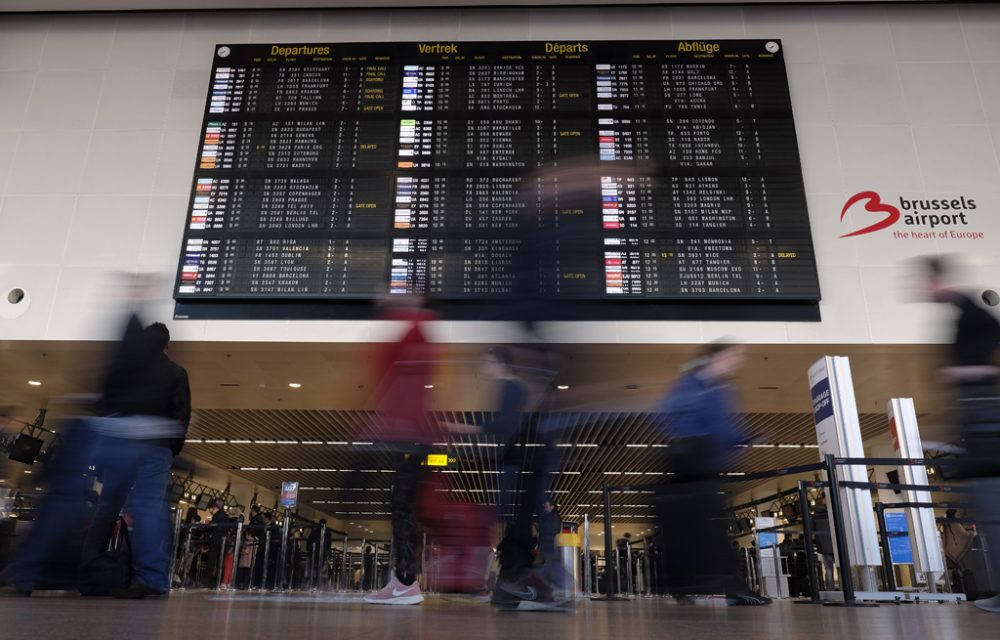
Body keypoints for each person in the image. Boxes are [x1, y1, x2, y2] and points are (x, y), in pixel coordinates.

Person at [2, 316, 191, 598]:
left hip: (118, 440)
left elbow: (104, 400)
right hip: (155, 444)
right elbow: (181, 414)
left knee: (106, 507)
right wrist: (170, 447)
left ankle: (84, 569)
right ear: (167, 345)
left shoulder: (126, 367)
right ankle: (151, 577)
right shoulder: (175, 371)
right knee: (149, 509)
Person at [653, 342, 771, 606]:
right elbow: (669, 413)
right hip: (694, 459)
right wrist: (692, 439)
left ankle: (687, 584)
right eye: (733, 355)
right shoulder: (694, 383)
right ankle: (731, 586)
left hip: (705, 461)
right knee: (710, 524)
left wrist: (746, 437)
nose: (737, 361)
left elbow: (726, 427)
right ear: (715, 357)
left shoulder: (720, 388)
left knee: (698, 524)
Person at [919, 256, 1000, 612]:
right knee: (990, 510)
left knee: (994, 510)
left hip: (984, 425)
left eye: (925, 282)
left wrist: (960, 373)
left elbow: (985, 361)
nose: (921, 290)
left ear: (938, 279)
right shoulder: (959, 313)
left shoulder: (972, 314)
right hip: (977, 423)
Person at [363, 296, 439, 605]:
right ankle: (403, 581)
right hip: (408, 439)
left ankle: (406, 583)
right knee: (400, 509)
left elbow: (402, 386)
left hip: (412, 440)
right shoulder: (414, 334)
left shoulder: (416, 334)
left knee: (402, 510)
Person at [204, 499, 230, 588]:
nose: (210, 511)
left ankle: (208, 582)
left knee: (211, 562)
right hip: (223, 542)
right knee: (220, 563)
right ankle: (217, 582)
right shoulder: (225, 515)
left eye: (210, 509)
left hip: (216, 541)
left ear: (214, 508)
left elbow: (212, 527)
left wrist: (207, 524)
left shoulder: (216, 515)